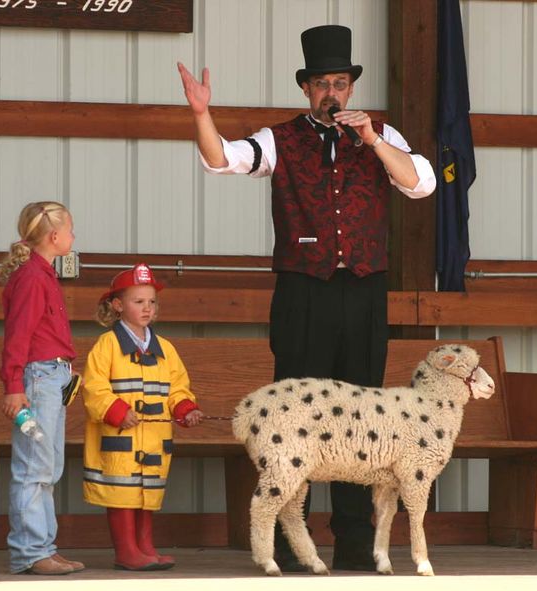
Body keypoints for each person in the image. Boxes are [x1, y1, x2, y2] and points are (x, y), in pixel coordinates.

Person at [178, 24, 436, 571]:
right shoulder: (281, 138)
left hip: (364, 291)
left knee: (363, 413)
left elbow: (420, 184)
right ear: (306, 88)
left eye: (340, 82)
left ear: (351, 87)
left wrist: (372, 139)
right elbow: (223, 159)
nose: (331, 93)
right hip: (303, 290)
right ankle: (291, 541)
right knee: (296, 415)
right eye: (321, 83)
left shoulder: (382, 135)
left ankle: (353, 540)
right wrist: (202, 113)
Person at [81, 263, 204, 571]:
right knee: (122, 491)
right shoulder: (106, 346)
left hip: (152, 440)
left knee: (146, 491)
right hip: (119, 438)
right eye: (139, 301)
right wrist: (117, 411)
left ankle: (145, 546)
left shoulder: (165, 349)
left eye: (152, 302)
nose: (147, 308)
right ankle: (126, 551)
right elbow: (94, 388)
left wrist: (185, 409)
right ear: (118, 305)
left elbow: (178, 387)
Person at [0, 201, 84, 575]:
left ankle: (43, 546)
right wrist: (14, 386)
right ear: (54, 236)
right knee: (34, 465)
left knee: (47, 464)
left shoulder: (41, 274)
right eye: (70, 230)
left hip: (52, 378)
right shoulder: (33, 277)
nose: (73, 236)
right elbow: (18, 336)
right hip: (37, 380)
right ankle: (30, 551)